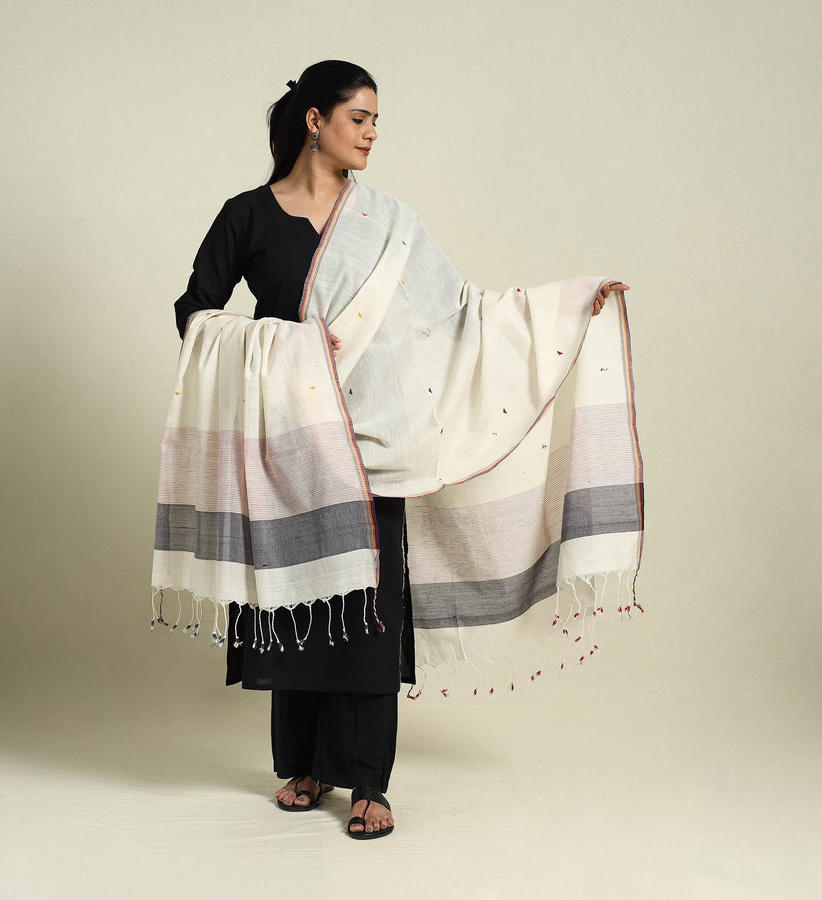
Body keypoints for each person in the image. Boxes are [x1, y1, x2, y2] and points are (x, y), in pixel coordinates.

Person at [171, 60, 630, 840]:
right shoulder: (246, 216)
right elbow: (195, 312)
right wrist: (279, 350)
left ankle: (368, 783)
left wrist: (568, 303)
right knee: (299, 602)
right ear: (315, 121)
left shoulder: (388, 226)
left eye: (377, 121)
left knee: (368, 614)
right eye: (360, 118)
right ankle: (304, 766)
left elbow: (463, 313)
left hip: (372, 443)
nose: (373, 134)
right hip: (288, 442)